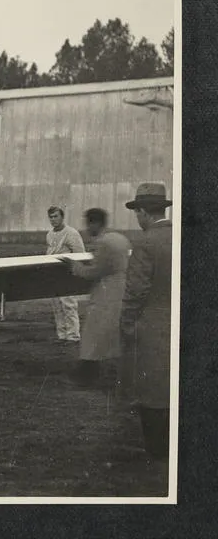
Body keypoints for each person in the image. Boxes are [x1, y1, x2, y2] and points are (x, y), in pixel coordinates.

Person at [120, 183, 173, 460]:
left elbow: (136, 292)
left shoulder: (145, 242)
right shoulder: (180, 237)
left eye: (137, 212)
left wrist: (127, 325)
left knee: (152, 390)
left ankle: (157, 451)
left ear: (143, 212)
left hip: (152, 326)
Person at [60, 208, 130, 389]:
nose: (87, 228)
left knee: (93, 333)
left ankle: (87, 374)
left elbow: (94, 272)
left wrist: (75, 266)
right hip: (120, 289)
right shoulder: (120, 238)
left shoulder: (103, 243)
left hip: (105, 292)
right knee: (109, 333)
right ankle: (101, 372)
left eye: (89, 224)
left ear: (95, 223)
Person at [46, 205, 85, 342]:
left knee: (68, 304)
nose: (53, 219)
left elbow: (80, 253)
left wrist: (75, 271)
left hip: (67, 272)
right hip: (54, 273)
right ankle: (62, 335)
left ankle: (73, 335)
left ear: (62, 217)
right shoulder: (49, 234)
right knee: (57, 305)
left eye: (56, 216)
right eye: (51, 217)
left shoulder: (71, 233)